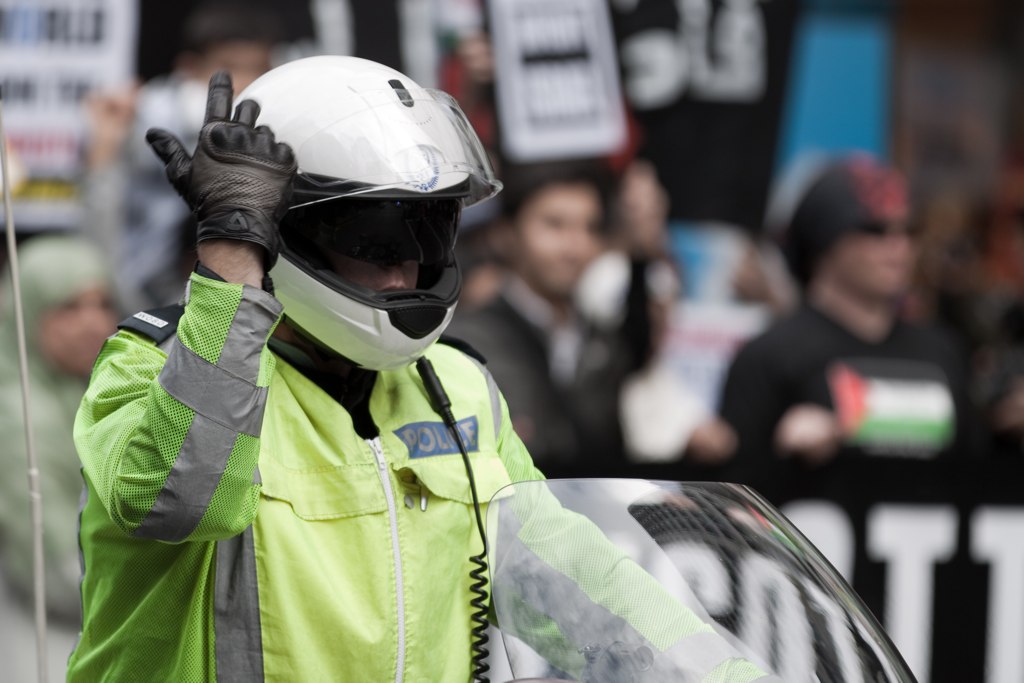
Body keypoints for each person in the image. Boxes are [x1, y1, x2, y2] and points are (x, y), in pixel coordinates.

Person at [69, 58, 773, 682]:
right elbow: (180, 499)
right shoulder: (158, 364)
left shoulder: (457, 386)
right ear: (281, 232)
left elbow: (583, 582)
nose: (406, 266)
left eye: (427, 231)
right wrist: (229, 266)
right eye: (375, 237)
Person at [718, 154, 982, 469]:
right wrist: (782, 454)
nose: (899, 246)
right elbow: (729, 492)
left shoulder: (943, 351)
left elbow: (981, 469)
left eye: (909, 230)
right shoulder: (768, 357)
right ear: (823, 241)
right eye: (875, 230)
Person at [448, 160, 655, 470]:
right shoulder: (468, 342)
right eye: (555, 224)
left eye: (591, 227)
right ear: (507, 233)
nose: (576, 246)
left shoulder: (604, 339)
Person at [81, 0, 282, 313]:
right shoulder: (143, 120)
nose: (243, 83)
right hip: (140, 300)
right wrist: (105, 149)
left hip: (244, 302)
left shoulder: (280, 128)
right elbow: (97, 231)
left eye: (257, 69)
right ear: (189, 68)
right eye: (229, 69)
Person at [0, 235, 117, 682]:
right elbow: (57, 570)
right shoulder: (21, 415)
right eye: (69, 307)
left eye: (101, 303)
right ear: (28, 312)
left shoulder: (86, 395)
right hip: (41, 649)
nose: (92, 322)